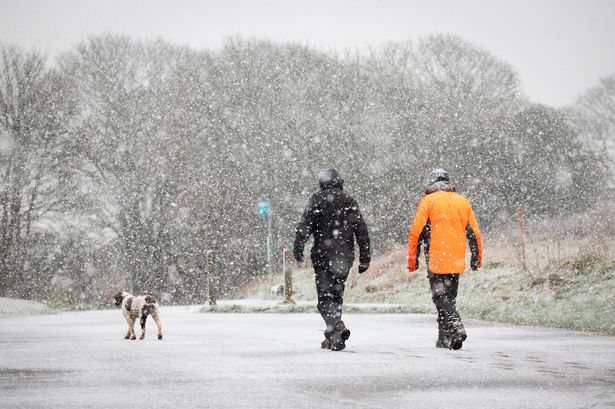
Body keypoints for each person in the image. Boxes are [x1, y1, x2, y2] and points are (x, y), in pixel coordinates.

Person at [294, 168, 370, 351]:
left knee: (324, 300)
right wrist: (365, 257)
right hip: (344, 257)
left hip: (323, 257)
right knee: (336, 296)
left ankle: (336, 325)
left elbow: (305, 225)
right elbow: (361, 229)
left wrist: (298, 248)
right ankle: (333, 338)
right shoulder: (349, 201)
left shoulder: (317, 199)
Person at [407, 169, 482, 350]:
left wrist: (412, 260)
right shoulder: (462, 202)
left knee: (439, 296)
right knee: (449, 297)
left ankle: (455, 324)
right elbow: (474, 232)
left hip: (436, 256)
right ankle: (445, 338)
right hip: (456, 257)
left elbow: (416, 233)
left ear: (432, 183)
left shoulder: (428, 201)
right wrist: (476, 257)